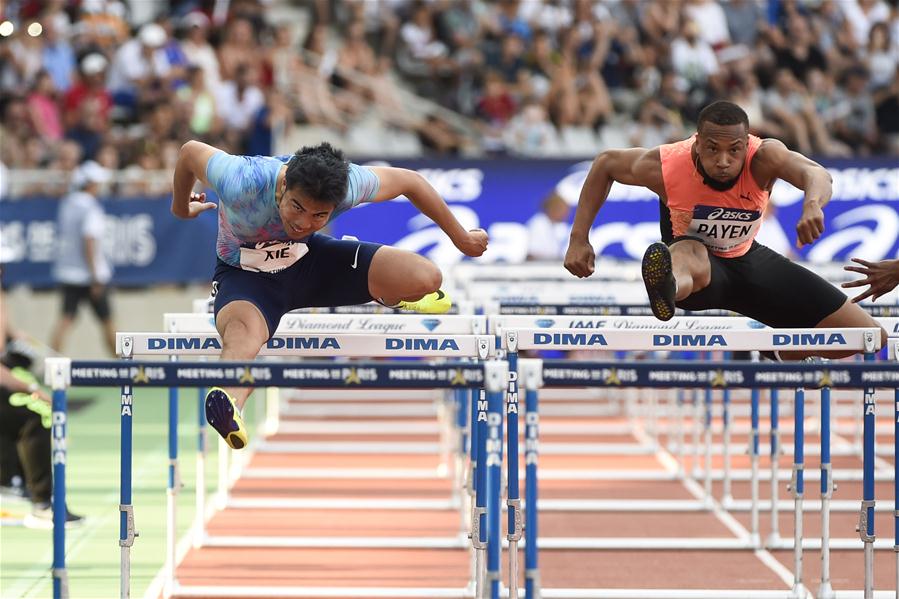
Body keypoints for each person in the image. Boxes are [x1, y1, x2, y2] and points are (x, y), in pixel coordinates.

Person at [172, 141, 488, 449]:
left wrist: (461, 239)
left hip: (312, 262)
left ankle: (388, 295)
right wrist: (181, 207)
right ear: (282, 187)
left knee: (427, 277)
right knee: (242, 335)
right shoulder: (242, 177)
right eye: (297, 206)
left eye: (318, 216)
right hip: (248, 278)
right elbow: (189, 151)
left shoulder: (349, 184)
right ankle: (232, 400)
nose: (302, 222)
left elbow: (411, 181)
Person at [564, 101, 886, 359]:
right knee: (689, 251)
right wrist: (579, 238)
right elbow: (606, 163)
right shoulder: (665, 164)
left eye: (734, 150)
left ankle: (778, 350)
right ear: (697, 143)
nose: (723, 161)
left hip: (749, 261)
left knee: (867, 336)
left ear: (746, 144)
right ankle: (665, 289)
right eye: (712, 149)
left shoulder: (763, 157)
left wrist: (812, 204)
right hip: (699, 271)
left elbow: (816, 174)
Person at [49, 161, 117, 356]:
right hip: (90, 275)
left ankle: (52, 364)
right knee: (107, 320)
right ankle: (123, 366)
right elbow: (89, 240)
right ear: (90, 184)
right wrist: (95, 275)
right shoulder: (91, 208)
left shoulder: (67, 203)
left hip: (69, 273)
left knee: (65, 319)